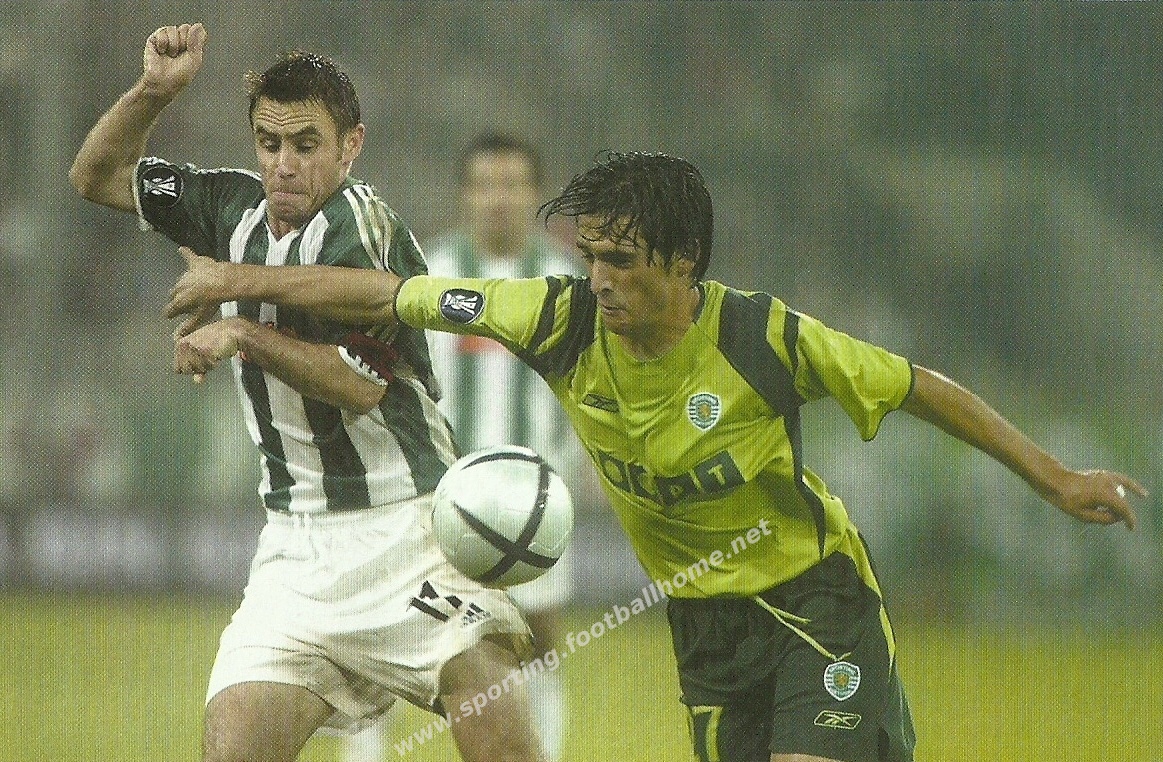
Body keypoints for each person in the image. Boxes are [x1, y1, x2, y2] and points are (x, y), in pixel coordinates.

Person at [163, 150, 1144, 762]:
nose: (597, 279)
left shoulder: (765, 341)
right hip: (705, 628)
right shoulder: (554, 319)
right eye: (590, 256)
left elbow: (917, 386)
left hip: (815, 607)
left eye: (620, 261)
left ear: (683, 265)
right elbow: (386, 295)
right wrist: (235, 283)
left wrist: (1054, 476)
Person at [70, 23, 547, 762]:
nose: (283, 165)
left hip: (413, 530)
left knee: (501, 738)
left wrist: (240, 329)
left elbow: (357, 386)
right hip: (297, 549)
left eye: (305, 145)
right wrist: (152, 94)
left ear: (350, 146)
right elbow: (95, 177)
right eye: (268, 144)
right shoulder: (226, 207)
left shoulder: (364, 225)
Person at [344, 132, 581, 762]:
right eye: (485, 185)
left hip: (535, 498)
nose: (498, 199)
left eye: (512, 185)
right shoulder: (429, 274)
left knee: (538, 643)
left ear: (536, 195)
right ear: (465, 196)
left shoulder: (570, 284)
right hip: (433, 494)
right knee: (390, 639)